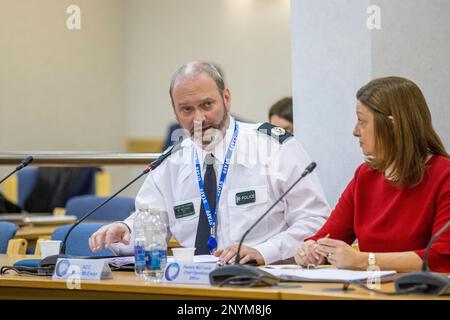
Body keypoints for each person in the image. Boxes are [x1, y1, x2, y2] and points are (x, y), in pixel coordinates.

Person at [89, 61, 330, 265]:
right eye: (186, 109)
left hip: (263, 281)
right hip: (192, 286)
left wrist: (264, 251)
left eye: (207, 105)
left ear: (226, 98)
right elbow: (150, 222)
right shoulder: (171, 163)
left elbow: (314, 221)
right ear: (175, 113)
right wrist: (126, 230)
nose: (199, 119)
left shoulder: (274, 148)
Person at [294, 76, 450, 272]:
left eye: (362, 121)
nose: (355, 131)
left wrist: (363, 260)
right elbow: (327, 238)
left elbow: (441, 260)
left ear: (392, 125)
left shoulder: (444, 175)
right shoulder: (364, 176)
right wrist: (310, 249)